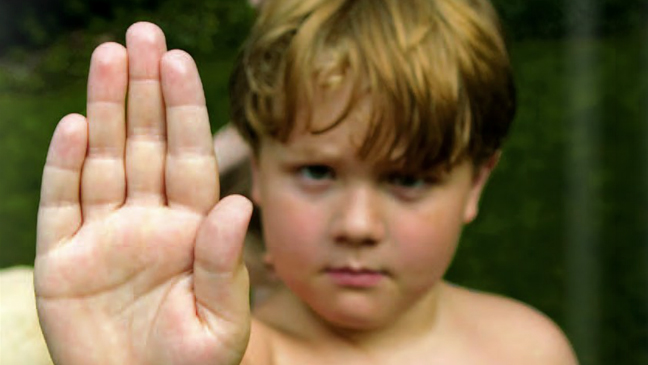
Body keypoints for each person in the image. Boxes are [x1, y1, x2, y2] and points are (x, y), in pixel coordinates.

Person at [34, 0, 579, 363]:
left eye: (408, 180)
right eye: (317, 172)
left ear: (477, 184)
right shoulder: (224, 355)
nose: (358, 226)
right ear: (259, 172)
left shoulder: (531, 349)